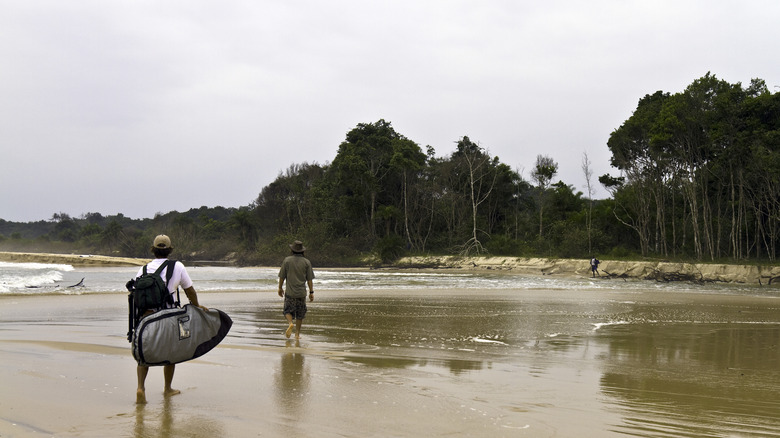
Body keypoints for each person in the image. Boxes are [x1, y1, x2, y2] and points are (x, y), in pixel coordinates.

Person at [134, 234, 205, 404]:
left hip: (147, 318)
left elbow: (136, 294)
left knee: (145, 353)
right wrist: (197, 306)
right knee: (171, 352)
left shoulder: (143, 269)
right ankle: (167, 388)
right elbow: (190, 290)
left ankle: (140, 388)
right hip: (169, 317)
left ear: (154, 250)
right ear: (169, 249)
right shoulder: (177, 266)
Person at [278, 240, 315, 339]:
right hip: (301, 293)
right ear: (302, 251)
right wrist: (311, 292)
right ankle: (297, 334)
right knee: (300, 314)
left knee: (287, 311)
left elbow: (282, 276)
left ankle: (290, 323)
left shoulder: (287, 261)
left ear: (292, 250)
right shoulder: (307, 262)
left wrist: (280, 288)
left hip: (290, 292)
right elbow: (309, 279)